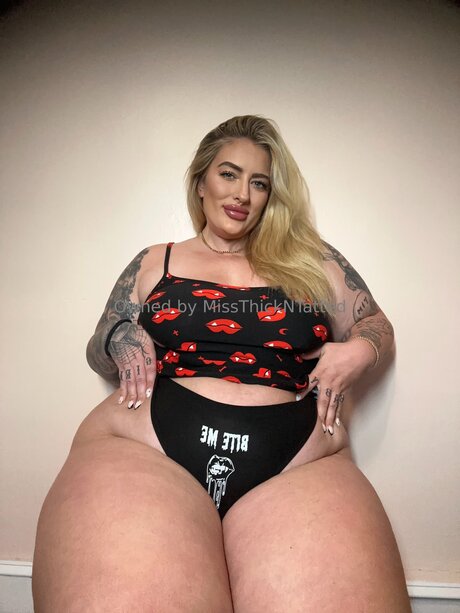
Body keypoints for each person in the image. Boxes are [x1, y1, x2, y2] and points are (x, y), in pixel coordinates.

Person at [32, 115, 411, 611]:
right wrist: (119, 336)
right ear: (201, 181)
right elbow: (98, 348)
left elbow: (375, 324)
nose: (242, 195)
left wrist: (360, 350)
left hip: (295, 462)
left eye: (259, 183)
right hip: (148, 448)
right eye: (229, 174)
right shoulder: (157, 260)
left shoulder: (313, 261)